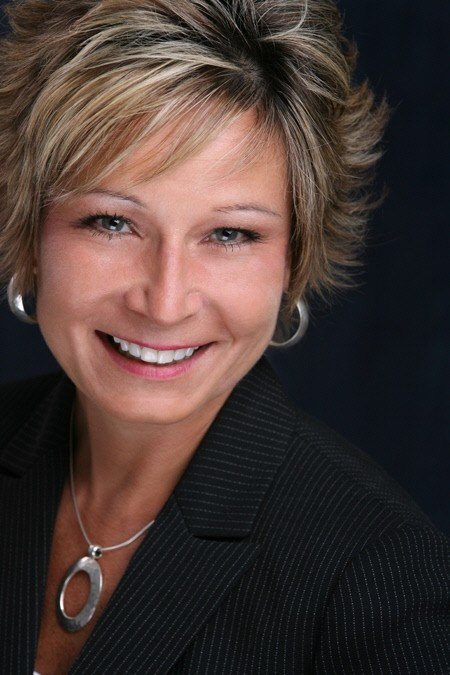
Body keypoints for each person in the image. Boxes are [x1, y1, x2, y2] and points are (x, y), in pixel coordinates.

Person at [0, 0, 448, 672]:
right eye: (112, 222)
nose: (165, 301)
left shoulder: (382, 583)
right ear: (30, 227)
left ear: (294, 259)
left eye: (230, 234)